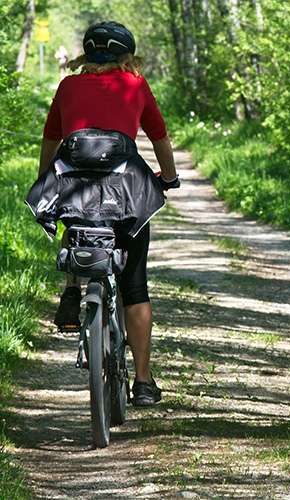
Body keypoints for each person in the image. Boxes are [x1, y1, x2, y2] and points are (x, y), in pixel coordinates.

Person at [36, 22, 180, 406]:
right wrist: (170, 178)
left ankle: (71, 287)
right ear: (126, 56)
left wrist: (44, 180)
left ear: (86, 55)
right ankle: (144, 382)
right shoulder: (135, 84)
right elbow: (159, 137)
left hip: (74, 182)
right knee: (135, 285)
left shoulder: (67, 86)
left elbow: (52, 140)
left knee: (74, 214)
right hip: (126, 188)